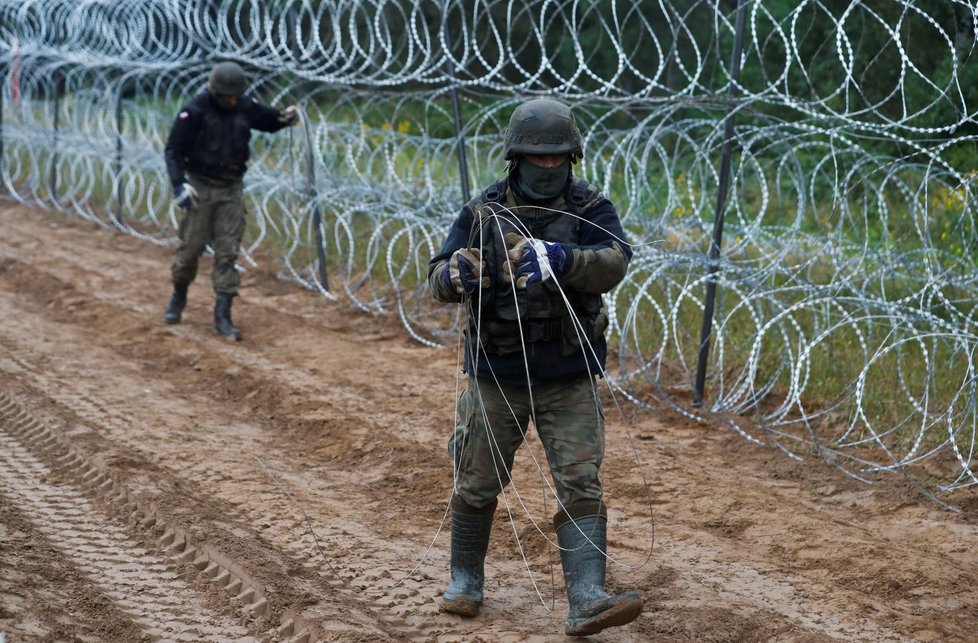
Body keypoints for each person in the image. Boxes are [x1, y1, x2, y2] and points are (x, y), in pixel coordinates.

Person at [427, 97, 642, 637]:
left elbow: (615, 262)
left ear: (573, 157)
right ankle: (465, 580)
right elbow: (437, 276)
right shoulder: (482, 211)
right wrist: (456, 274)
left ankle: (588, 597)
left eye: (558, 159)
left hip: (567, 374)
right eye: (536, 158)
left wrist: (566, 260)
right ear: (514, 157)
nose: (547, 168)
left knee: (580, 479)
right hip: (496, 373)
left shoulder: (591, 208)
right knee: (477, 477)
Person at [162, 61, 299, 340]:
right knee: (191, 250)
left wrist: (284, 118)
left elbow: (268, 121)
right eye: (228, 97)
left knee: (228, 251)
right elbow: (173, 150)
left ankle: (222, 317)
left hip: (230, 188)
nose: (233, 100)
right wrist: (180, 185)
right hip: (200, 187)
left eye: (237, 95)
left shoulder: (244, 106)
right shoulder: (195, 110)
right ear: (216, 92)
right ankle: (178, 295)